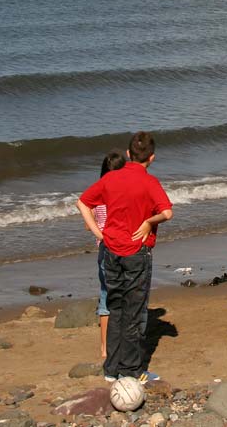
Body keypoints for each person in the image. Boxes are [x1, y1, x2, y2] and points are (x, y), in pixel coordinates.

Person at [76, 131, 172, 382]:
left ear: (129, 154)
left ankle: (111, 369)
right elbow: (167, 212)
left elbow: (83, 203)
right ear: (151, 158)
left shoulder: (111, 178)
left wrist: (99, 232)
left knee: (115, 307)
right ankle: (131, 370)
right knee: (133, 310)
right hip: (136, 252)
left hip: (111, 250)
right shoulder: (150, 182)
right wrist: (150, 221)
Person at [89, 150, 126, 361]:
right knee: (124, 294)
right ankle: (120, 342)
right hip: (122, 245)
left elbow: (88, 222)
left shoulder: (97, 192)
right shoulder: (122, 191)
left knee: (106, 294)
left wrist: (99, 234)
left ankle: (104, 348)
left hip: (104, 247)